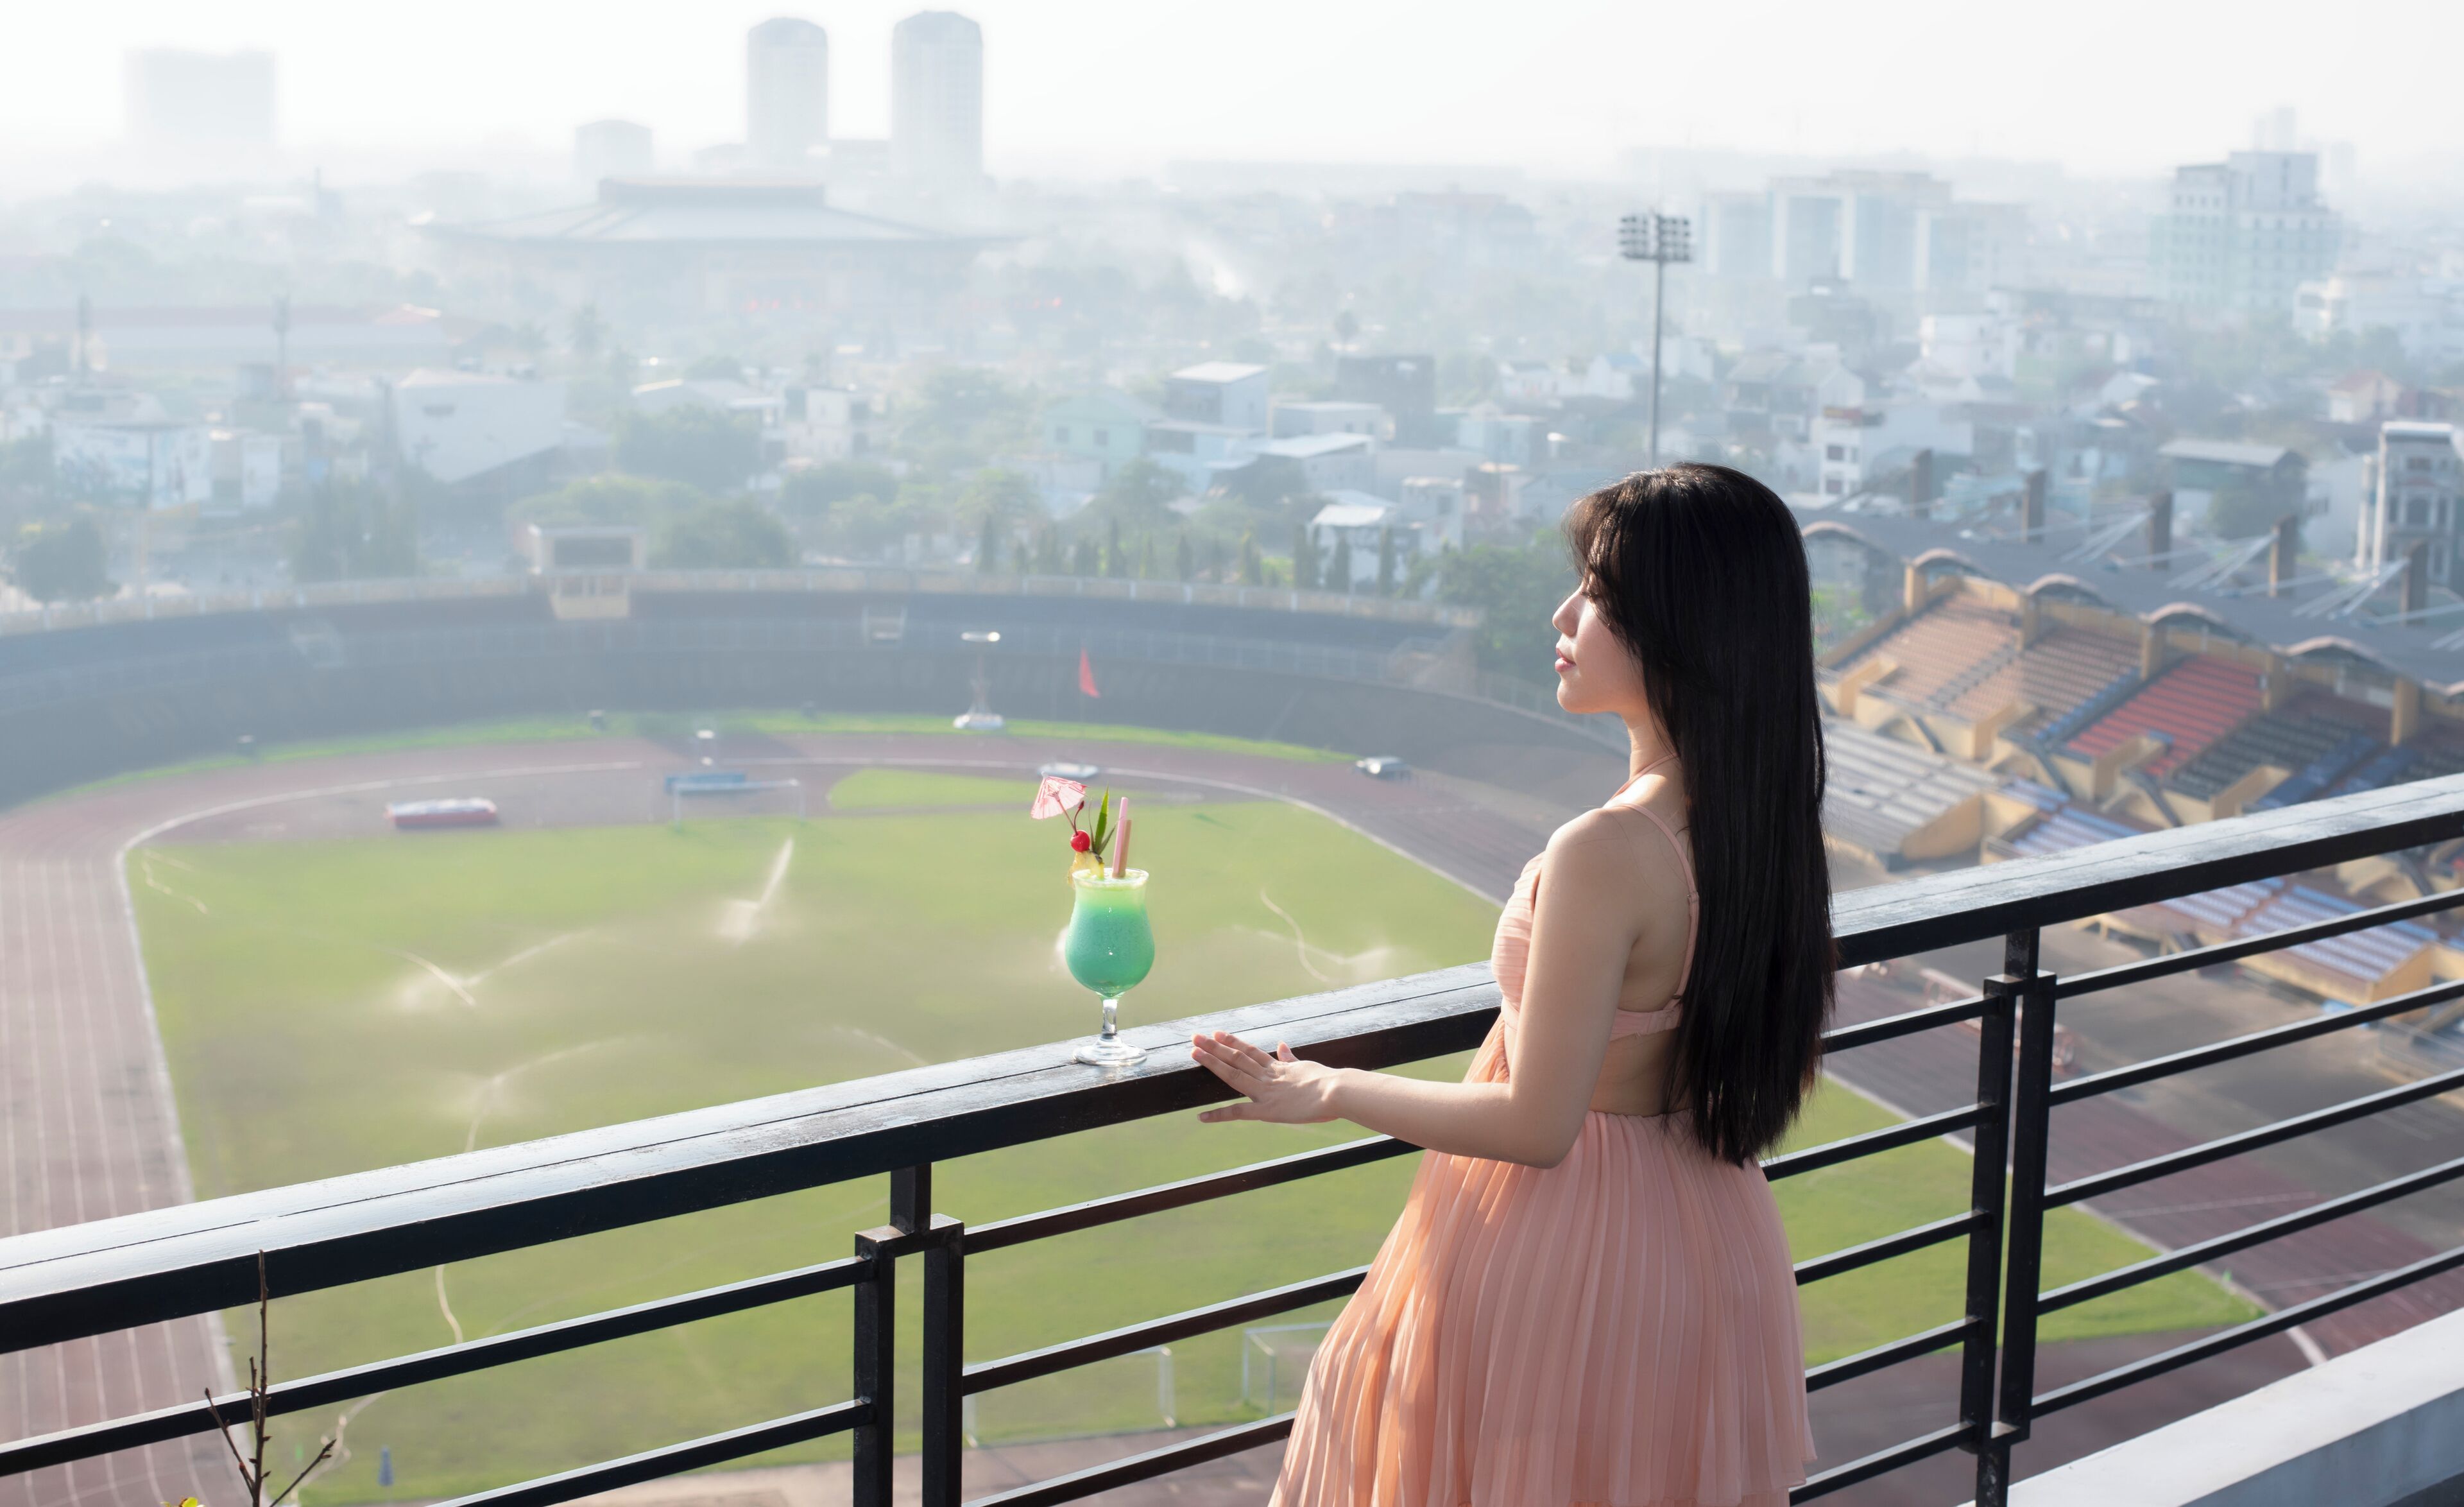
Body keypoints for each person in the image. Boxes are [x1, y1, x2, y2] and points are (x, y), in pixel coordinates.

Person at [1193, 464, 1831, 1507]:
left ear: (1684, 628)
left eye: (1600, 594)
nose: (1564, 614)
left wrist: (1332, 1088)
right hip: (1706, 1236)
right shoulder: (1761, 821)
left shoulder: (1610, 848)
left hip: (1568, 1249)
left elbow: (1540, 1123)